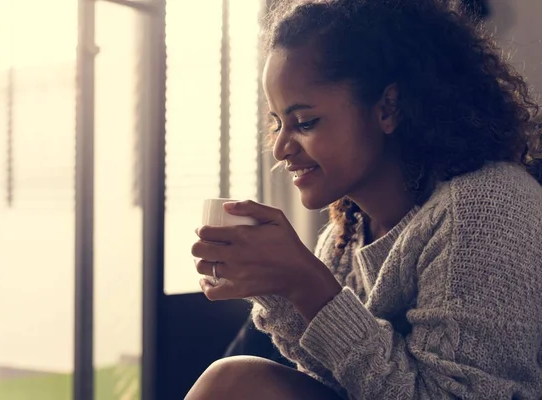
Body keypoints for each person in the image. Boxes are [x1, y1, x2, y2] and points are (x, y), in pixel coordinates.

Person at [187, 0, 542, 398]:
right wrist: (280, 286)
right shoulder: (345, 237)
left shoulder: (486, 210)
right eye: (277, 123)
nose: (281, 148)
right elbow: (340, 381)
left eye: (304, 122)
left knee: (234, 381)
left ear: (387, 107)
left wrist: (308, 284)